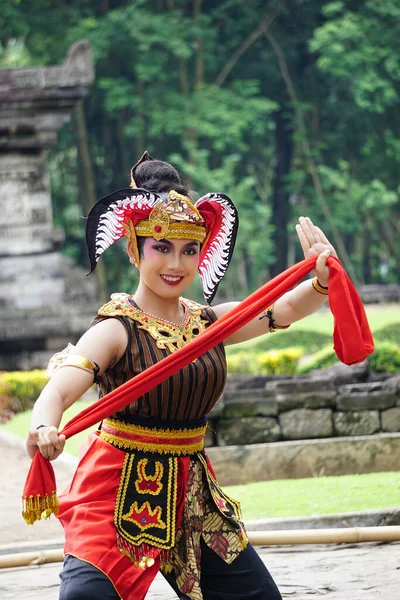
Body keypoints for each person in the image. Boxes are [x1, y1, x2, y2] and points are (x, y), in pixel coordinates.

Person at [26, 151, 336, 600]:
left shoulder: (208, 323)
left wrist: (321, 277)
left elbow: (279, 311)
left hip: (193, 495)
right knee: (86, 599)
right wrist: (42, 426)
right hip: (116, 492)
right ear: (135, 248)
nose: (176, 264)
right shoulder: (116, 328)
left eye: (190, 250)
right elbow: (58, 392)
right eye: (162, 248)